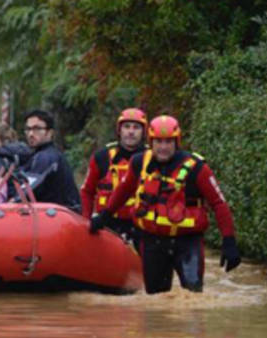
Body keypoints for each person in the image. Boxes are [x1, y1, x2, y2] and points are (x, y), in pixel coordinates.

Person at [90, 115, 242, 294]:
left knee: (192, 295)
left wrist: (229, 241)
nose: (163, 147)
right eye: (158, 142)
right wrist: (104, 217)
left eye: (168, 142)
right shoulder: (139, 162)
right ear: (151, 142)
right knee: (156, 299)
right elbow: (123, 191)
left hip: (187, 242)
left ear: (176, 142)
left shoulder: (197, 168)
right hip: (152, 241)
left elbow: (219, 204)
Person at [80, 108, 148, 248]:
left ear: (143, 132)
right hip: (107, 223)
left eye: (136, 127)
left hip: (141, 226)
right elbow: (87, 191)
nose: (131, 131)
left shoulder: (152, 158)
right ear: (119, 130)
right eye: (126, 127)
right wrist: (85, 222)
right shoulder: (102, 157)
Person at [22, 109, 81, 212]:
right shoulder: (40, 155)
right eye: (28, 129)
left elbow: (25, 192)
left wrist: (9, 201)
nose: (31, 134)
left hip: (61, 219)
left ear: (50, 133)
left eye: (37, 129)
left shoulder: (47, 157)